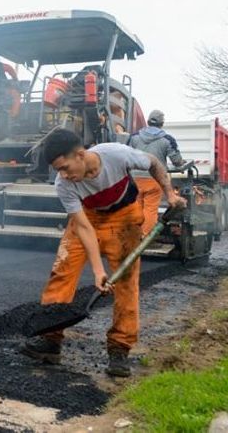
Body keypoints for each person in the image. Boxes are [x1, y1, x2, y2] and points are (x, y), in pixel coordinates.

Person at [21, 128, 186, 377]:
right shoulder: (64, 185)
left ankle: (119, 349)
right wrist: (98, 271)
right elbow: (84, 227)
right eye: (59, 171)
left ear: (80, 154)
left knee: (127, 283)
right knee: (62, 272)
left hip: (124, 218)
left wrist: (170, 193)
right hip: (87, 218)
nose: (64, 175)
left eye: (65, 167)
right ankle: (49, 340)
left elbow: (153, 163)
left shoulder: (116, 155)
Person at [128, 109, 185, 236]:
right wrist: (181, 162)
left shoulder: (134, 137)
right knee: (150, 209)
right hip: (154, 179)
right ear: (162, 124)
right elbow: (176, 161)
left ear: (148, 122)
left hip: (135, 179)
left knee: (136, 208)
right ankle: (145, 237)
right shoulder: (167, 139)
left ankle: (133, 236)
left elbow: (126, 154)